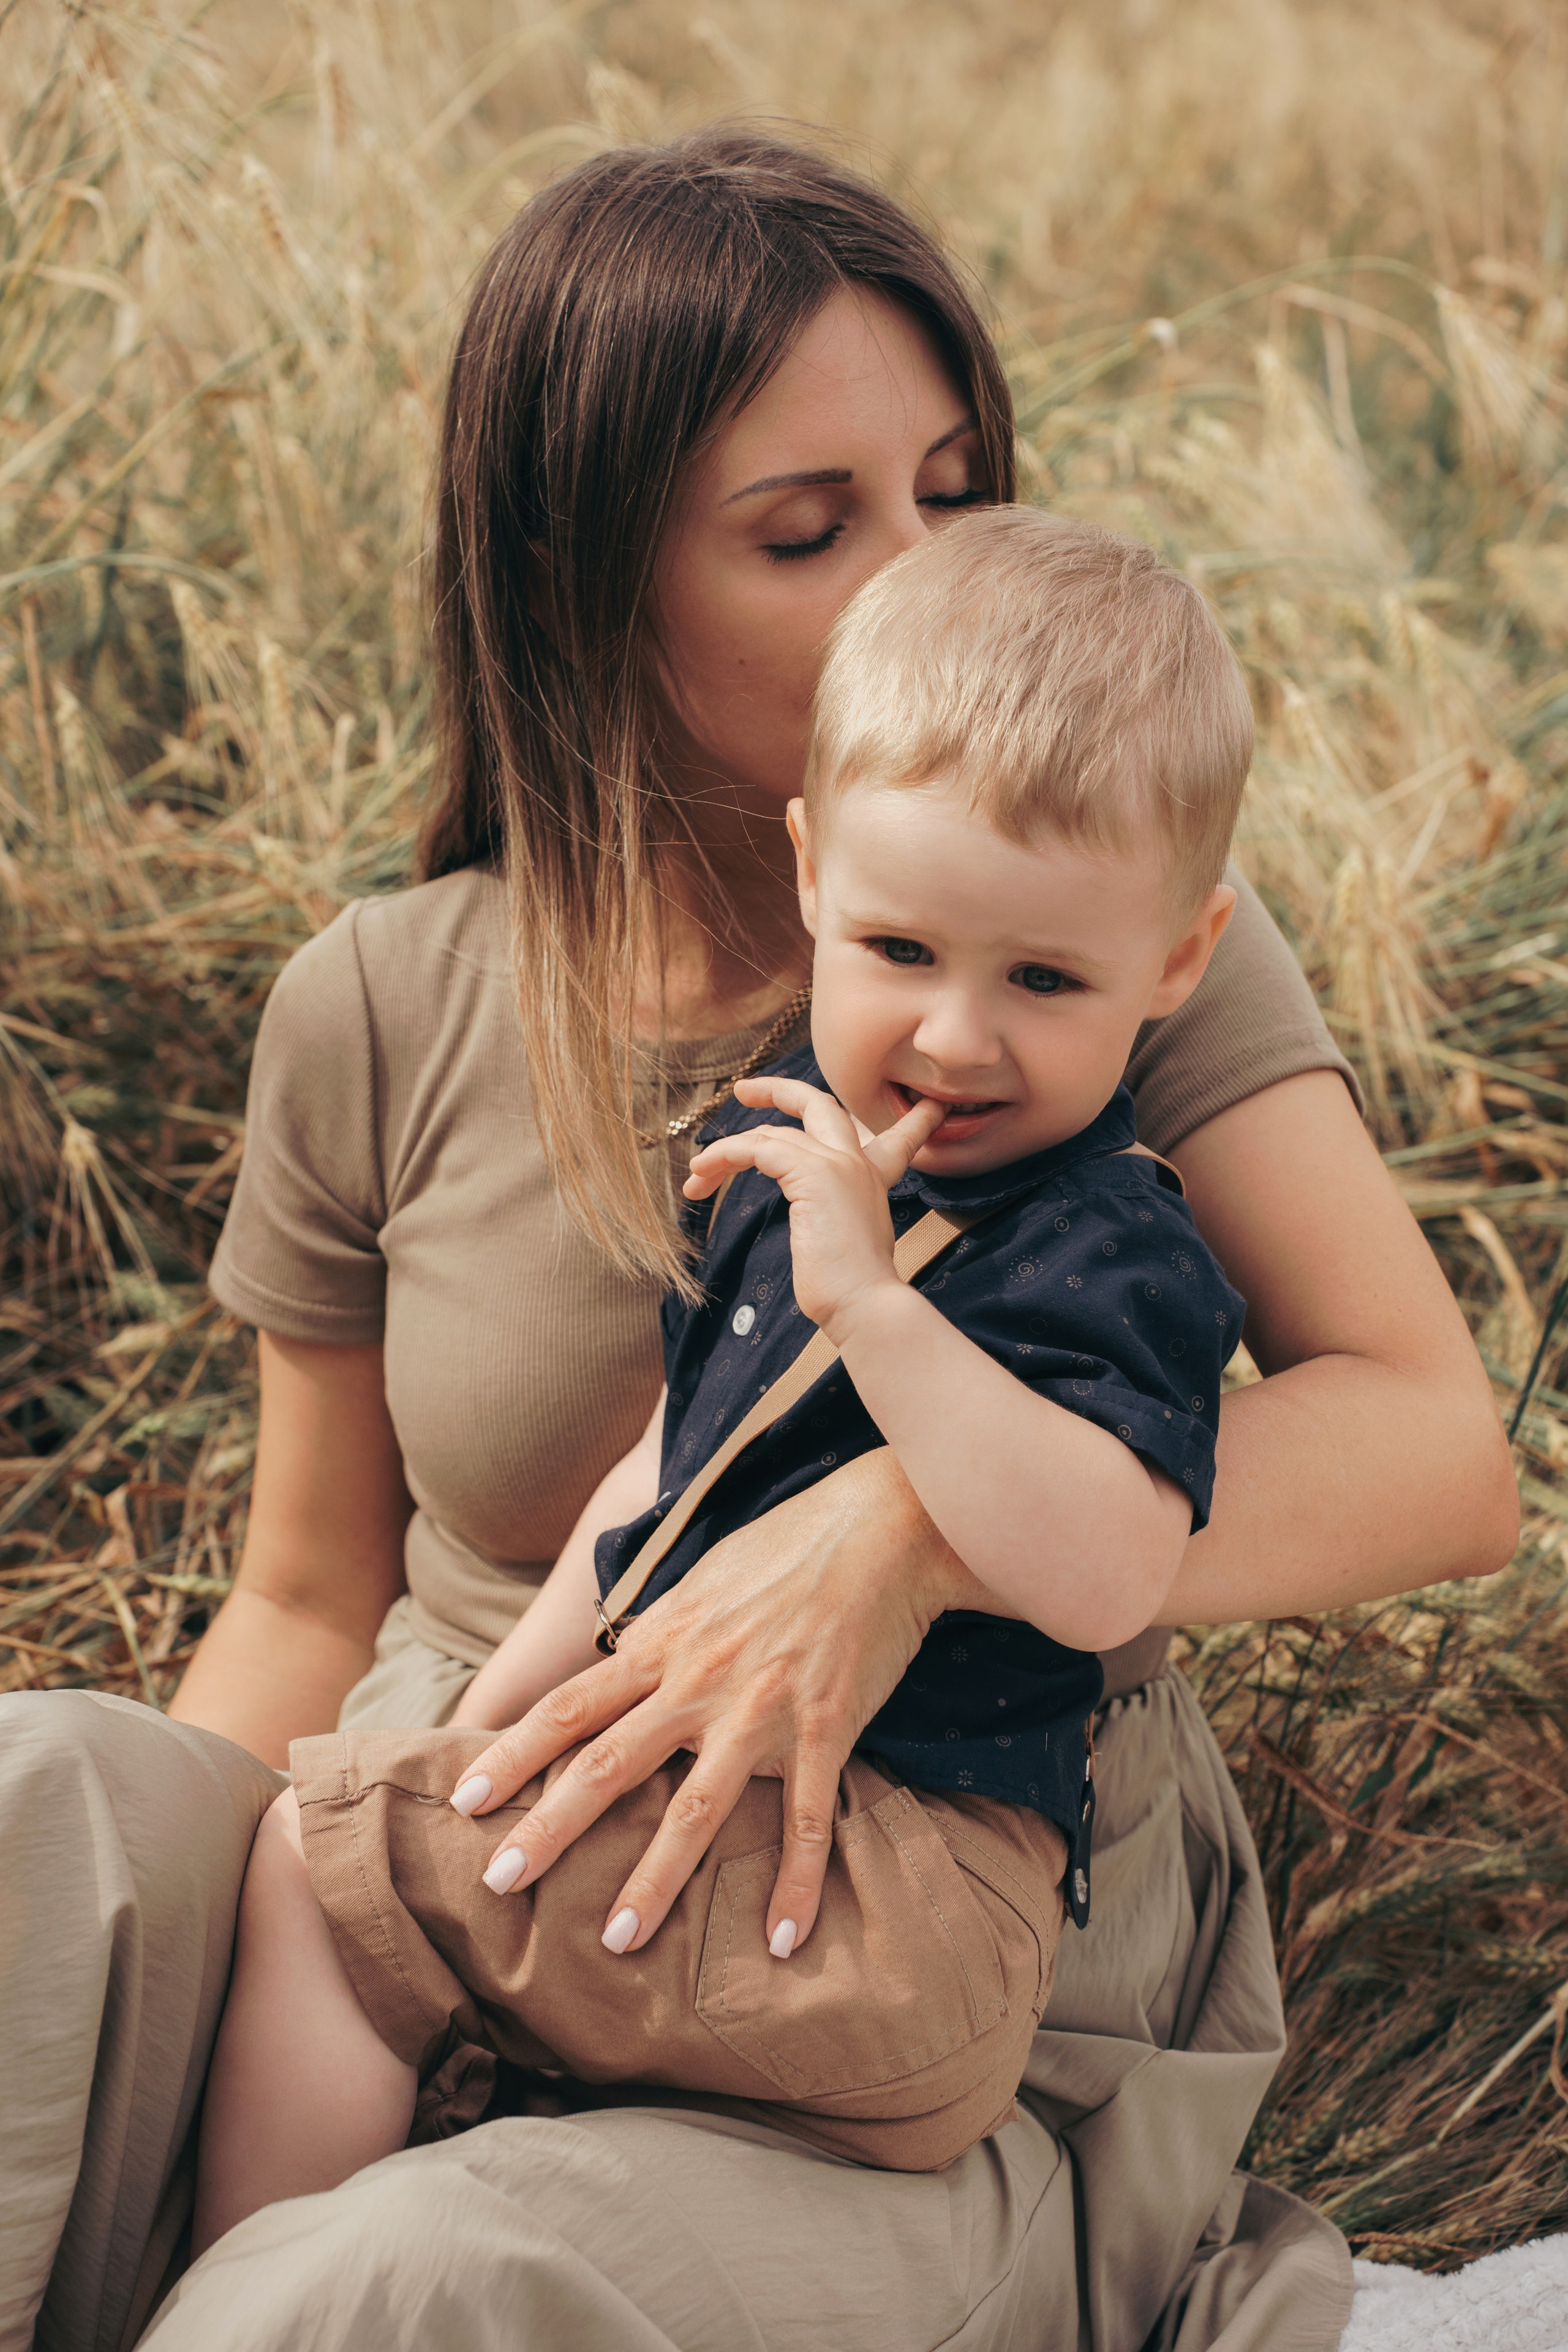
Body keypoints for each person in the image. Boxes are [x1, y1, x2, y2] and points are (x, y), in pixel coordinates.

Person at [1, 132, 1515, 2352]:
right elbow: (312, 1592)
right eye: (811, 530)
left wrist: (901, 1528)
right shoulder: (387, 994)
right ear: (592, 581)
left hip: (883, 1950)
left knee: (411, 2281)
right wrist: (282, 1945)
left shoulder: (1085, 959)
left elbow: (1437, 1453)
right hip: (487, 1831)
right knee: (32, 1800)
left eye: (955, 486)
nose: (923, 569)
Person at [192, 507, 1251, 2243]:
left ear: (1179, 965)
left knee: (320, 1885)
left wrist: (884, 1314)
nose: (958, 1035)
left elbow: (1112, 1567)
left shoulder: (1111, 1242)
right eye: (904, 951)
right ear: (817, 875)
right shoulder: (794, 1157)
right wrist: (488, 1732)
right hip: (738, 1838)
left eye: (1045, 978)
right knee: (400, 1848)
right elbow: (654, 1492)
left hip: (908, 1900)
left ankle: (224, 2290)